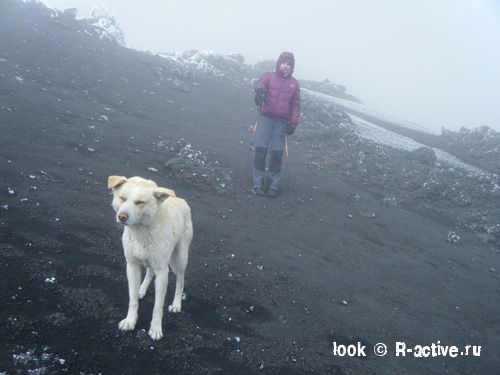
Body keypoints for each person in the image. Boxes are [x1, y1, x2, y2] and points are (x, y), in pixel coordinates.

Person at [252, 51, 301, 198]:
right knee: (260, 150)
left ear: (292, 67)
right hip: (265, 118)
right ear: (279, 63)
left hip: (281, 123)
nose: (286, 66)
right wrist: (260, 92)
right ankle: (258, 183)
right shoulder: (269, 76)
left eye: (289, 64)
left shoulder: (294, 84)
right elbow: (260, 84)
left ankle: (273, 184)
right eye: (284, 63)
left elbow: (296, 104)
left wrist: (293, 121)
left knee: (277, 154)